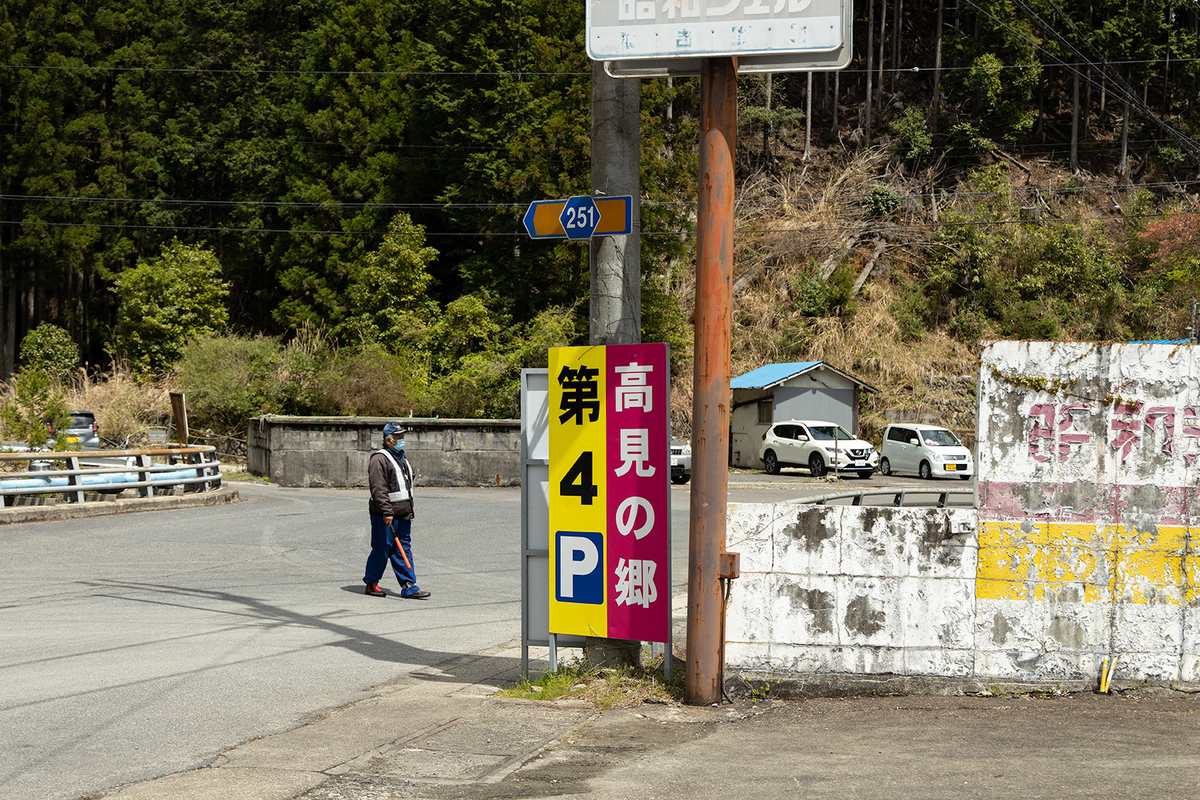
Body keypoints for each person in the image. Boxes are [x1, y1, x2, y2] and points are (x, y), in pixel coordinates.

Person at [363, 422, 430, 599]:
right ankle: (371, 582)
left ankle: (409, 586)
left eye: (402, 436)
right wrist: (387, 512)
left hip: (404, 514)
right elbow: (378, 489)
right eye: (399, 437)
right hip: (386, 515)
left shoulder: (401, 457)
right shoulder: (379, 459)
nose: (402, 440)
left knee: (403, 550)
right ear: (389, 440)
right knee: (382, 549)